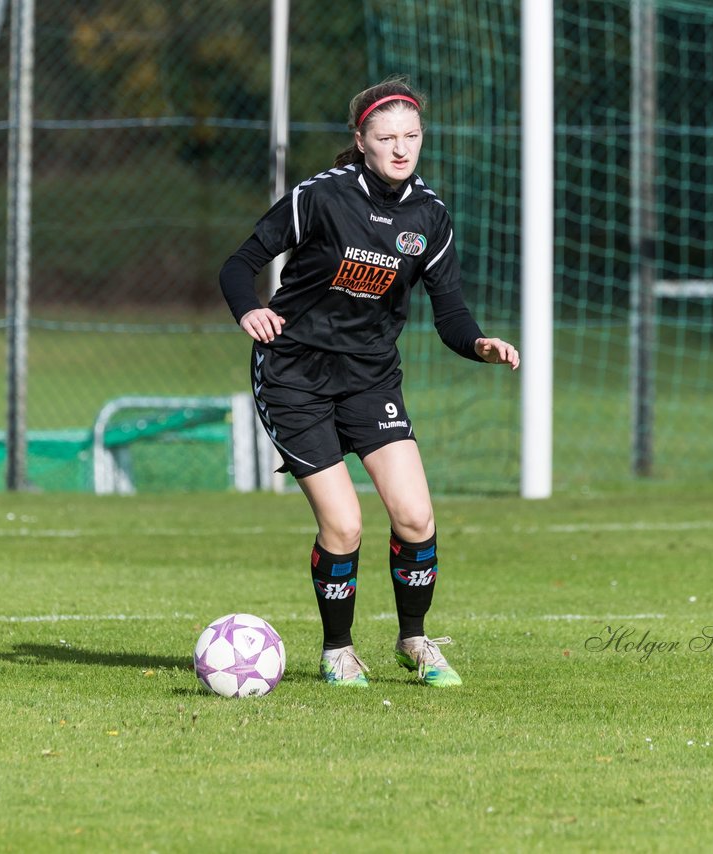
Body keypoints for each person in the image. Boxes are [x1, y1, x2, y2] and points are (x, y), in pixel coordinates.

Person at [218, 77, 519, 689]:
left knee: (414, 515)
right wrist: (248, 308)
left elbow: (452, 314)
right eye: (386, 138)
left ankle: (415, 640)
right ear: (361, 140)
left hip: (369, 378)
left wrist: (480, 343)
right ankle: (337, 650)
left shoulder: (429, 215)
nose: (401, 148)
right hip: (293, 374)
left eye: (411, 136)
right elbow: (239, 264)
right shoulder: (321, 197)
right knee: (345, 524)